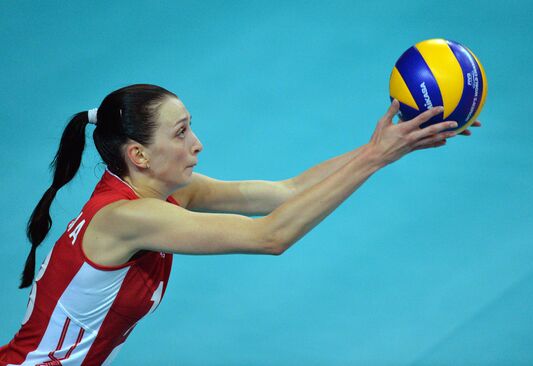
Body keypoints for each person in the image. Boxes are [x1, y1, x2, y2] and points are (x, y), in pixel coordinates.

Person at [0, 84, 481, 365]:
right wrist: (376, 159)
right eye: (181, 132)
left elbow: (287, 193)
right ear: (139, 155)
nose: (198, 143)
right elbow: (270, 236)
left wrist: (389, 146)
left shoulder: (160, 194)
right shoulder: (128, 218)